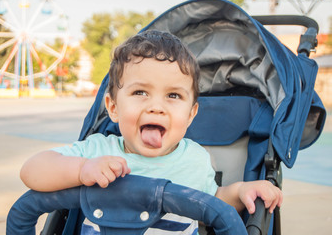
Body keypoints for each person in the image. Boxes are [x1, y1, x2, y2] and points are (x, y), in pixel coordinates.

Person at [20, 30, 283, 234]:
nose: (156, 107)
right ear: (113, 107)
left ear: (191, 115)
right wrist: (80, 170)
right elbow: (31, 170)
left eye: (173, 95)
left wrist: (240, 191)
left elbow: (213, 200)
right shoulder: (97, 150)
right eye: (140, 92)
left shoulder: (194, 159)